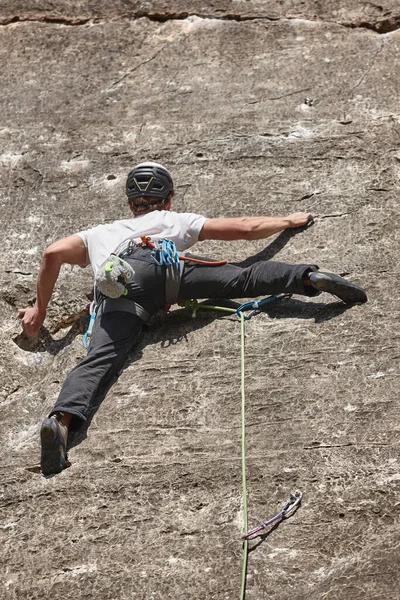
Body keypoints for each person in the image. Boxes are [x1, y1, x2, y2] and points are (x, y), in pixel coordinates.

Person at [17, 162, 367, 477]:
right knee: (244, 278)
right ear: (167, 200)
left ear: (130, 204)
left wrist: (38, 311)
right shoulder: (175, 220)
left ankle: (60, 421)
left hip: (119, 286)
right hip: (166, 266)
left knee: (97, 360)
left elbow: (52, 254)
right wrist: (290, 221)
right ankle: (308, 278)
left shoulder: (99, 233)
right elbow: (246, 229)